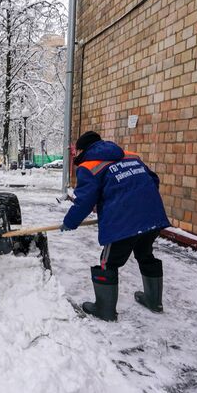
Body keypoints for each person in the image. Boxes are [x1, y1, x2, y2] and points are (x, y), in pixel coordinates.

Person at [60, 131, 170, 321]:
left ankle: (105, 309)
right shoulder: (130, 157)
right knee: (145, 254)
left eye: (76, 151)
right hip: (152, 216)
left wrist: (69, 222)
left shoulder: (89, 167)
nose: (75, 155)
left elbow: (84, 201)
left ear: (83, 150)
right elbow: (153, 180)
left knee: (108, 262)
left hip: (123, 221)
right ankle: (154, 301)